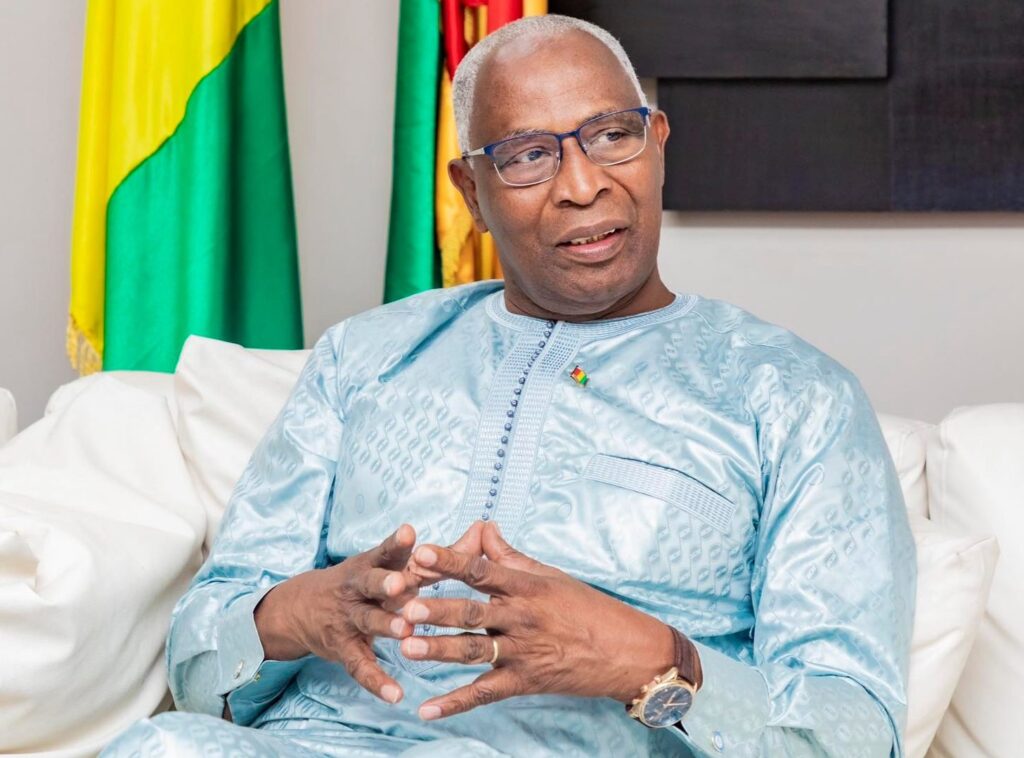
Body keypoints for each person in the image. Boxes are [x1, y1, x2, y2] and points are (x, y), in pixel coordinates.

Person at [102, 14, 914, 758]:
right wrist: (299, 613)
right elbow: (199, 666)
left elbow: (855, 731)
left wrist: (649, 660)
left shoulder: (791, 397)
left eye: (612, 136)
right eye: (529, 155)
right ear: (472, 194)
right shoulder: (364, 358)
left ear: (659, 145)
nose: (582, 185)